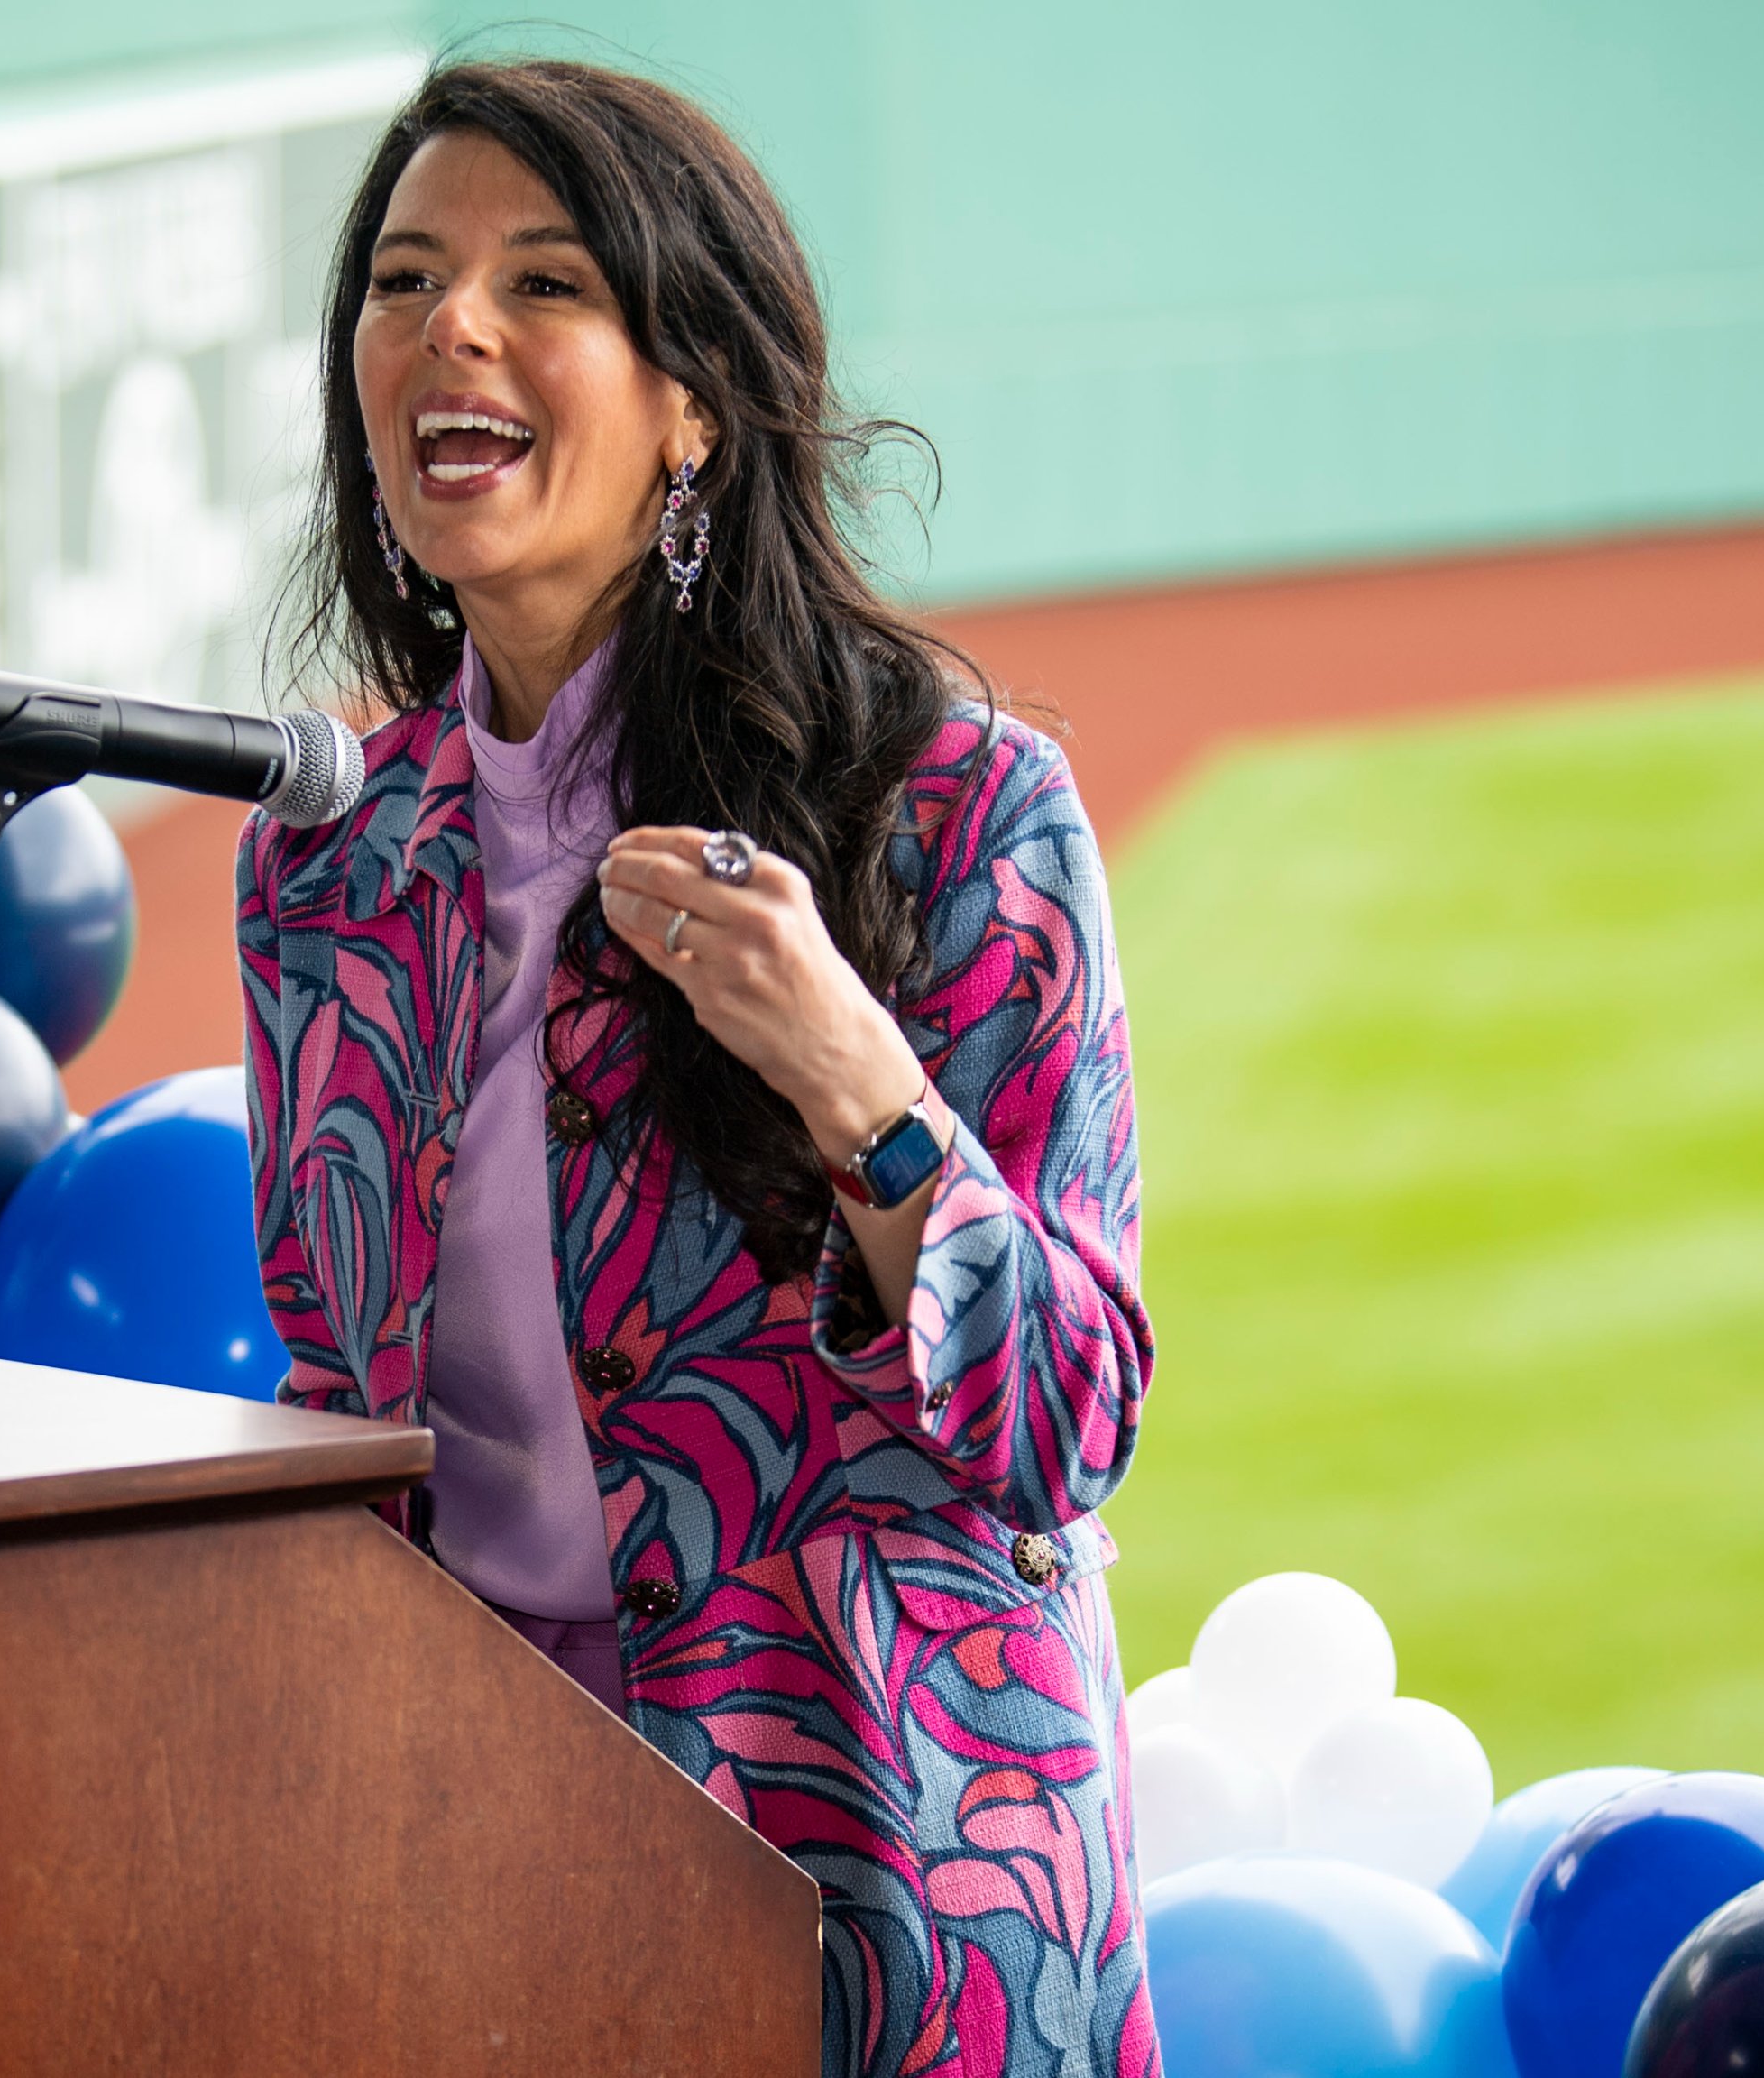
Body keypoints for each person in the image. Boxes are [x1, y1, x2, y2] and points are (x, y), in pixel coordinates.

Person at [236, 60, 1158, 2075]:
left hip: (888, 1860)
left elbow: (1065, 1426)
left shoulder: (953, 807)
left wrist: (853, 1075)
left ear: (692, 406)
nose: (447, 328)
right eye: (400, 283)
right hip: (475, 1858)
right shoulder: (323, 860)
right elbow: (332, 1399)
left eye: (541, 284)